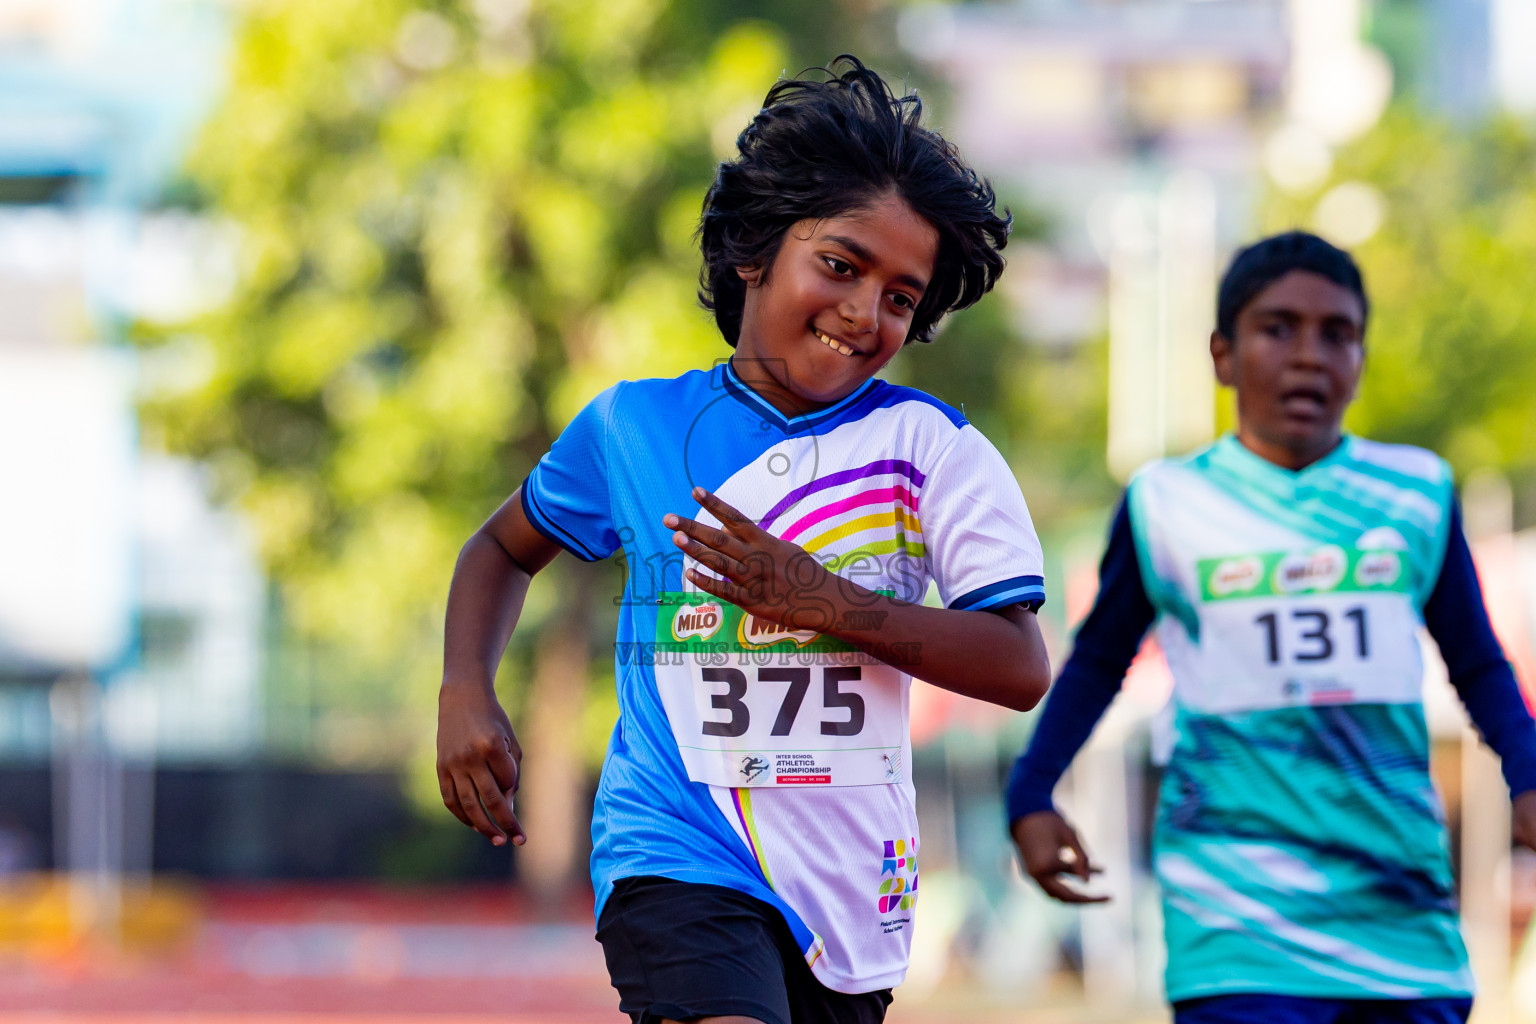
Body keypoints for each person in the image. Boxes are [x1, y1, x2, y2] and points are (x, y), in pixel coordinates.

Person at [438, 56, 1052, 1024]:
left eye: (901, 296)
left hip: (850, 876)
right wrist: (465, 688)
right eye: (841, 266)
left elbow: (1019, 664)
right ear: (752, 251)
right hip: (674, 845)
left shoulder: (933, 450)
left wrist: (826, 604)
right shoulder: (631, 429)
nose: (864, 312)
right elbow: (501, 549)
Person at [1006, 230, 1536, 1024]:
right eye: (1277, 328)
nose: (1309, 355)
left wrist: (1526, 773)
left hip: (1399, 916)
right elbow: (1097, 663)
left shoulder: (1416, 492)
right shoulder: (1165, 502)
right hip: (1234, 921)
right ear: (1223, 355)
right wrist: (1029, 793)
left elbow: (1480, 664)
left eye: (1338, 334)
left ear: (1360, 357)